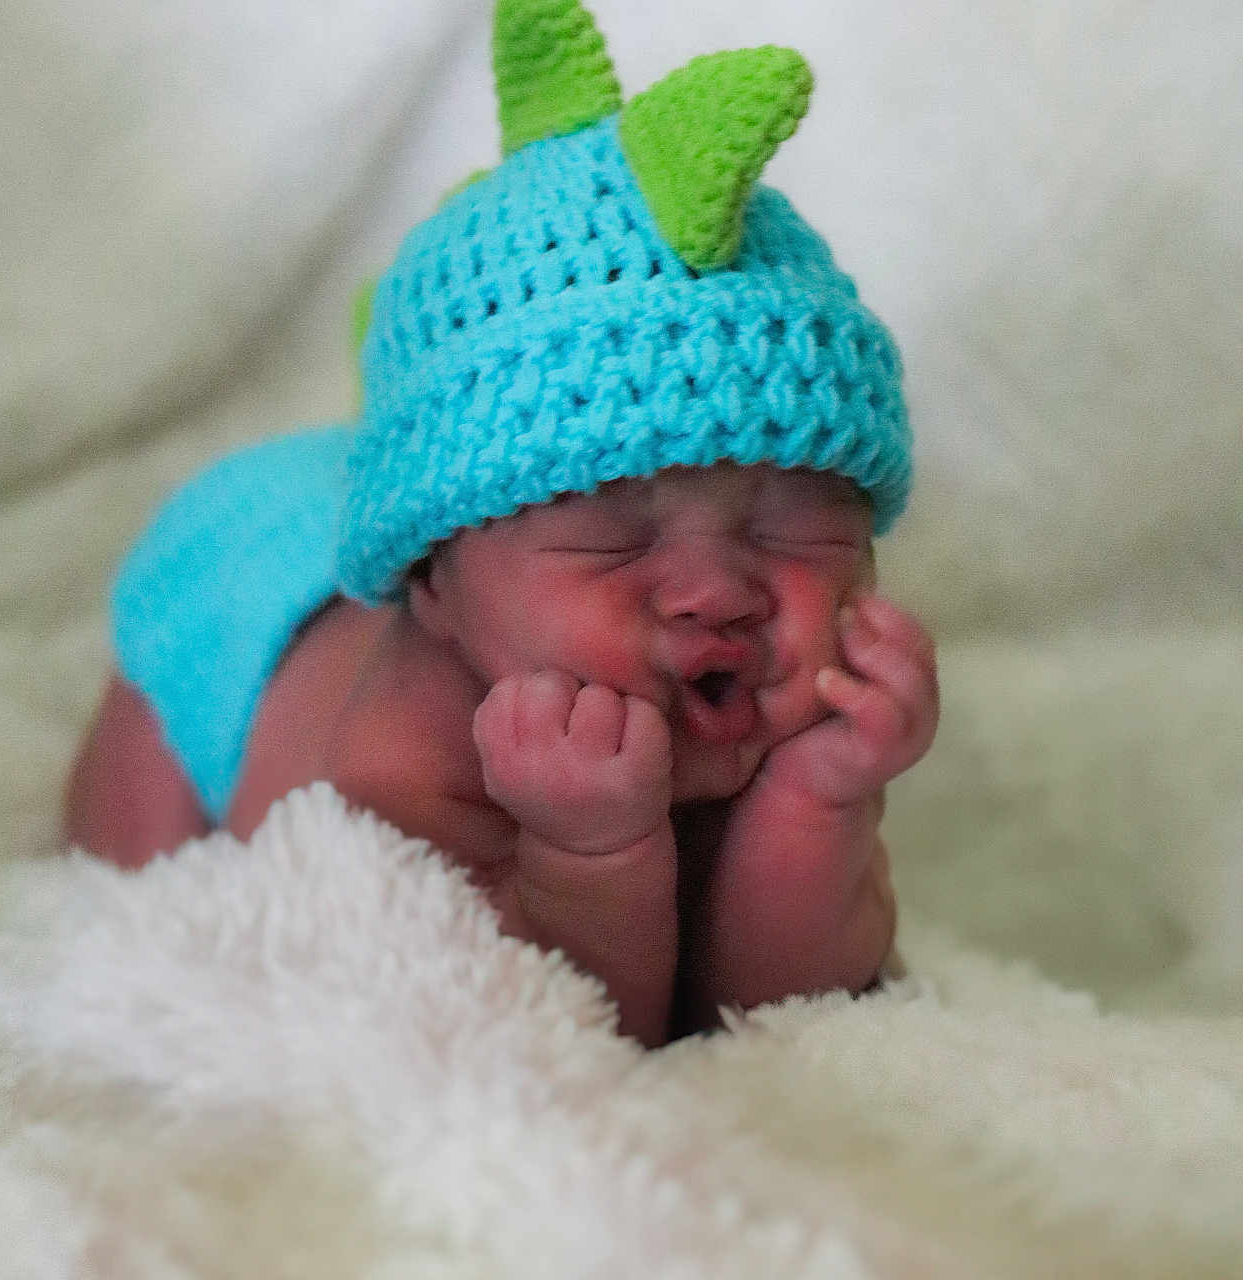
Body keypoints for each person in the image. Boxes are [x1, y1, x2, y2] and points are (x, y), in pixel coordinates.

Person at [63, 0, 939, 1047]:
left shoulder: (771, 712)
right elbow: (533, 1035)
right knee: (123, 882)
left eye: (794, 532)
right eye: (614, 536)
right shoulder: (399, 752)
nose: (716, 590)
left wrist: (818, 799)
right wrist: (589, 859)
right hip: (225, 626)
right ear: (434, 584)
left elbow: (774, 1017)